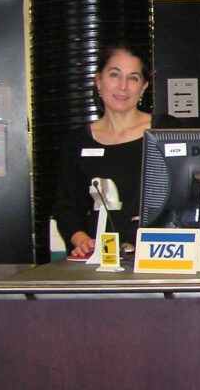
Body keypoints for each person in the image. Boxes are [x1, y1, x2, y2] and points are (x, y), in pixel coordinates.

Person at [54, 41, 165, 257]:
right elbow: (67, 207)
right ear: (98, 80)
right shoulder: (76, 143)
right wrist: (82, 239)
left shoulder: (166, 132)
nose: (123, 86)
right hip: (102, 260)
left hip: (160, 256)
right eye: (114, 75)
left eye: (133, 78)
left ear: (143, 87)